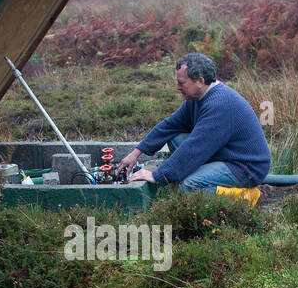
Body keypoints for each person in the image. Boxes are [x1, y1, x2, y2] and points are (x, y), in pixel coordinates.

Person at [115, 53, 270, 192]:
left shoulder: (220, 105)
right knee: (175, 136)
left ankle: (244, 197)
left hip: (245, 167)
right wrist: (135, 153)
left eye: (181, 83)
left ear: (200, 81)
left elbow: (195, 148)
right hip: (225, 153)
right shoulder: (197, 99)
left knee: (188, 185)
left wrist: (158, 175)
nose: (177, 87)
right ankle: (204, 174)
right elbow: (169, 125)